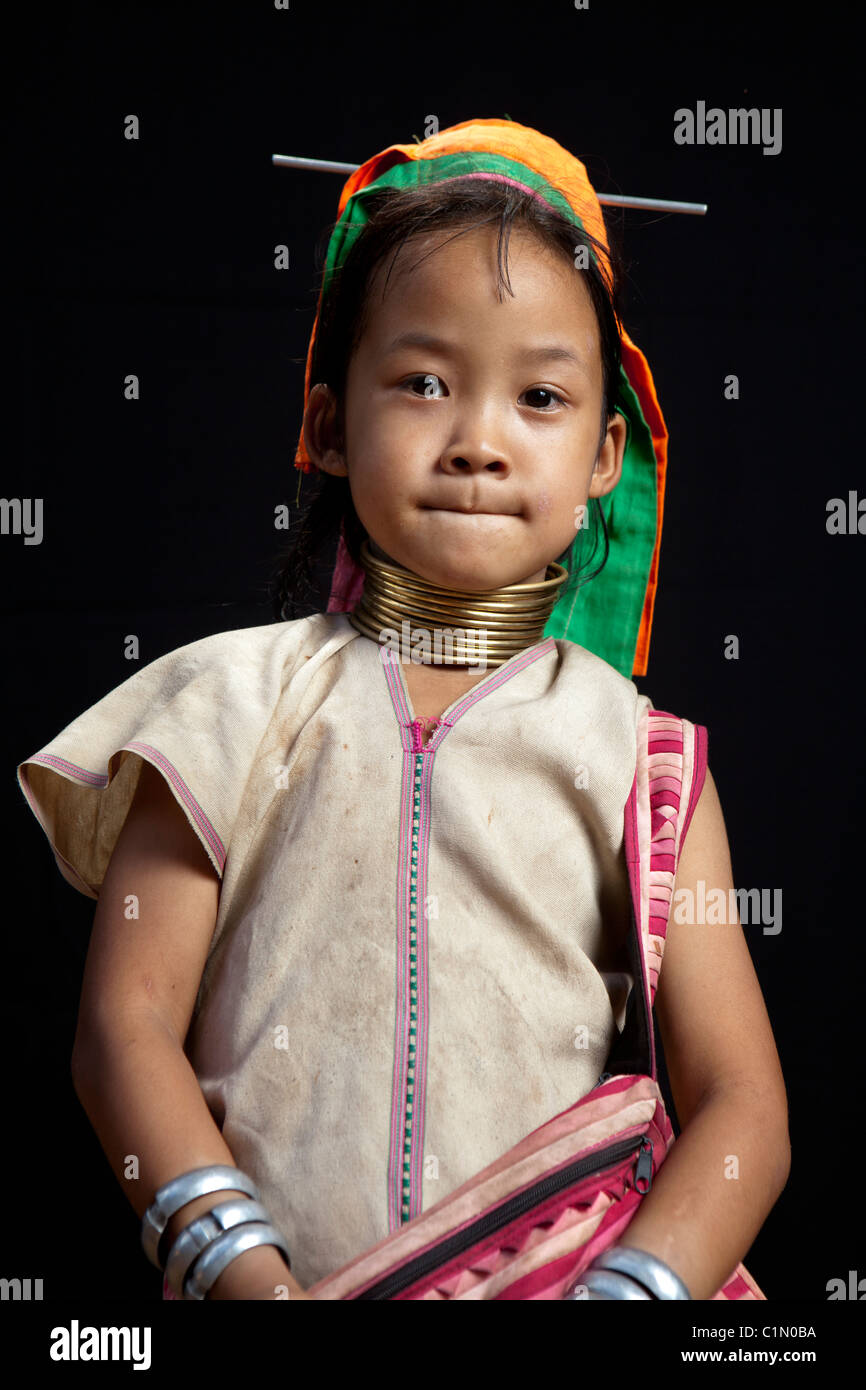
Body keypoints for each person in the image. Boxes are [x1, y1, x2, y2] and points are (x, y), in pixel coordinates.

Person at [16, 117, 790, 1302]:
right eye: (423, 381)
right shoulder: (224, 706)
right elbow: (121, 1033)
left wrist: (629, 1291)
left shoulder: (644, 760)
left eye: (538, 395)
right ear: (326, 424)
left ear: (602, 456)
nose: (478, 440)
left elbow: (743, 1107)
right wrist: (245, 1275)